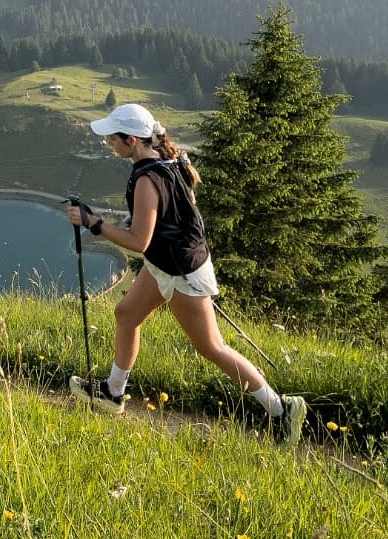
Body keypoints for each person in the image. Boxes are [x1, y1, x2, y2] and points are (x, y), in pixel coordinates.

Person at [67, 101, 307, 445]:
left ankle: (282, 411)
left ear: (132, 140)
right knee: (126, 314)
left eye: (113, 138)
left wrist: (95, 224)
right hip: (169, 263)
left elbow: (138, 241)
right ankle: (113, 395)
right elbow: (177, 215)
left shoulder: (148, 178)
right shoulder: (171, 160)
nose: (109, 143)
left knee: (212, 347)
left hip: (181, 272)